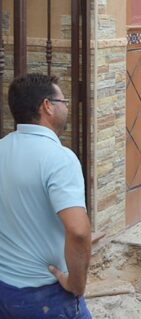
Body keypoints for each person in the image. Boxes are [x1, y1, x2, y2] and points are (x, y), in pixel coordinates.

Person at [0, 74, 92, 318]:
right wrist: (77, 283)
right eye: (63, 101)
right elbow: (79, 232)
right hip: (46, 295)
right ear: (47, 106)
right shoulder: (59, 159)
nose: (66, 107)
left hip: (5, 288)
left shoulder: (2, 150)